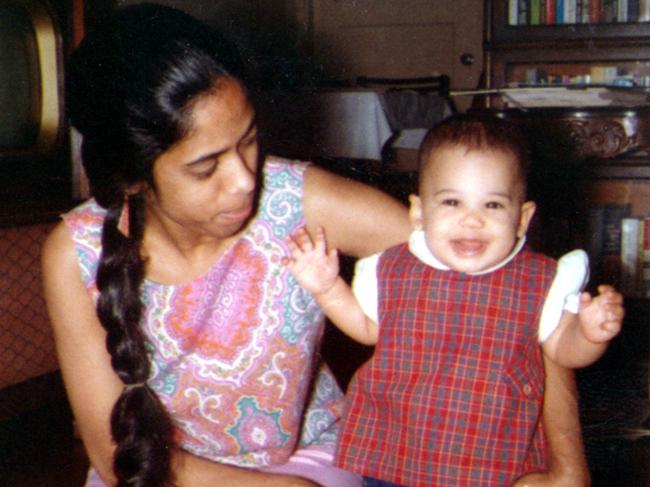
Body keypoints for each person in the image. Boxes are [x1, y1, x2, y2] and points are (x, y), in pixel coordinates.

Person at [40, 4, 590, 487]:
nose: (244, 180)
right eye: (206, 167)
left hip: (310, 457)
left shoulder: (295, 200)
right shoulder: (77, 254)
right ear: (132, 176)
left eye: (250, 140)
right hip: (156, 475)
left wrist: (565, 465)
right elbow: (117, 457)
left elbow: (512, 284)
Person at [286, 113, 624, 486]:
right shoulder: (391, 268)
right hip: (396, 450)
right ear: (418, 212)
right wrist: (328, 288)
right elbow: (366, 329)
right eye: (451, 202)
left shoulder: (540, 281)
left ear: (523, 219)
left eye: (492, 206)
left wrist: (590, 334)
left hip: (492, 459)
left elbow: (563, 350)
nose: (471, 220)